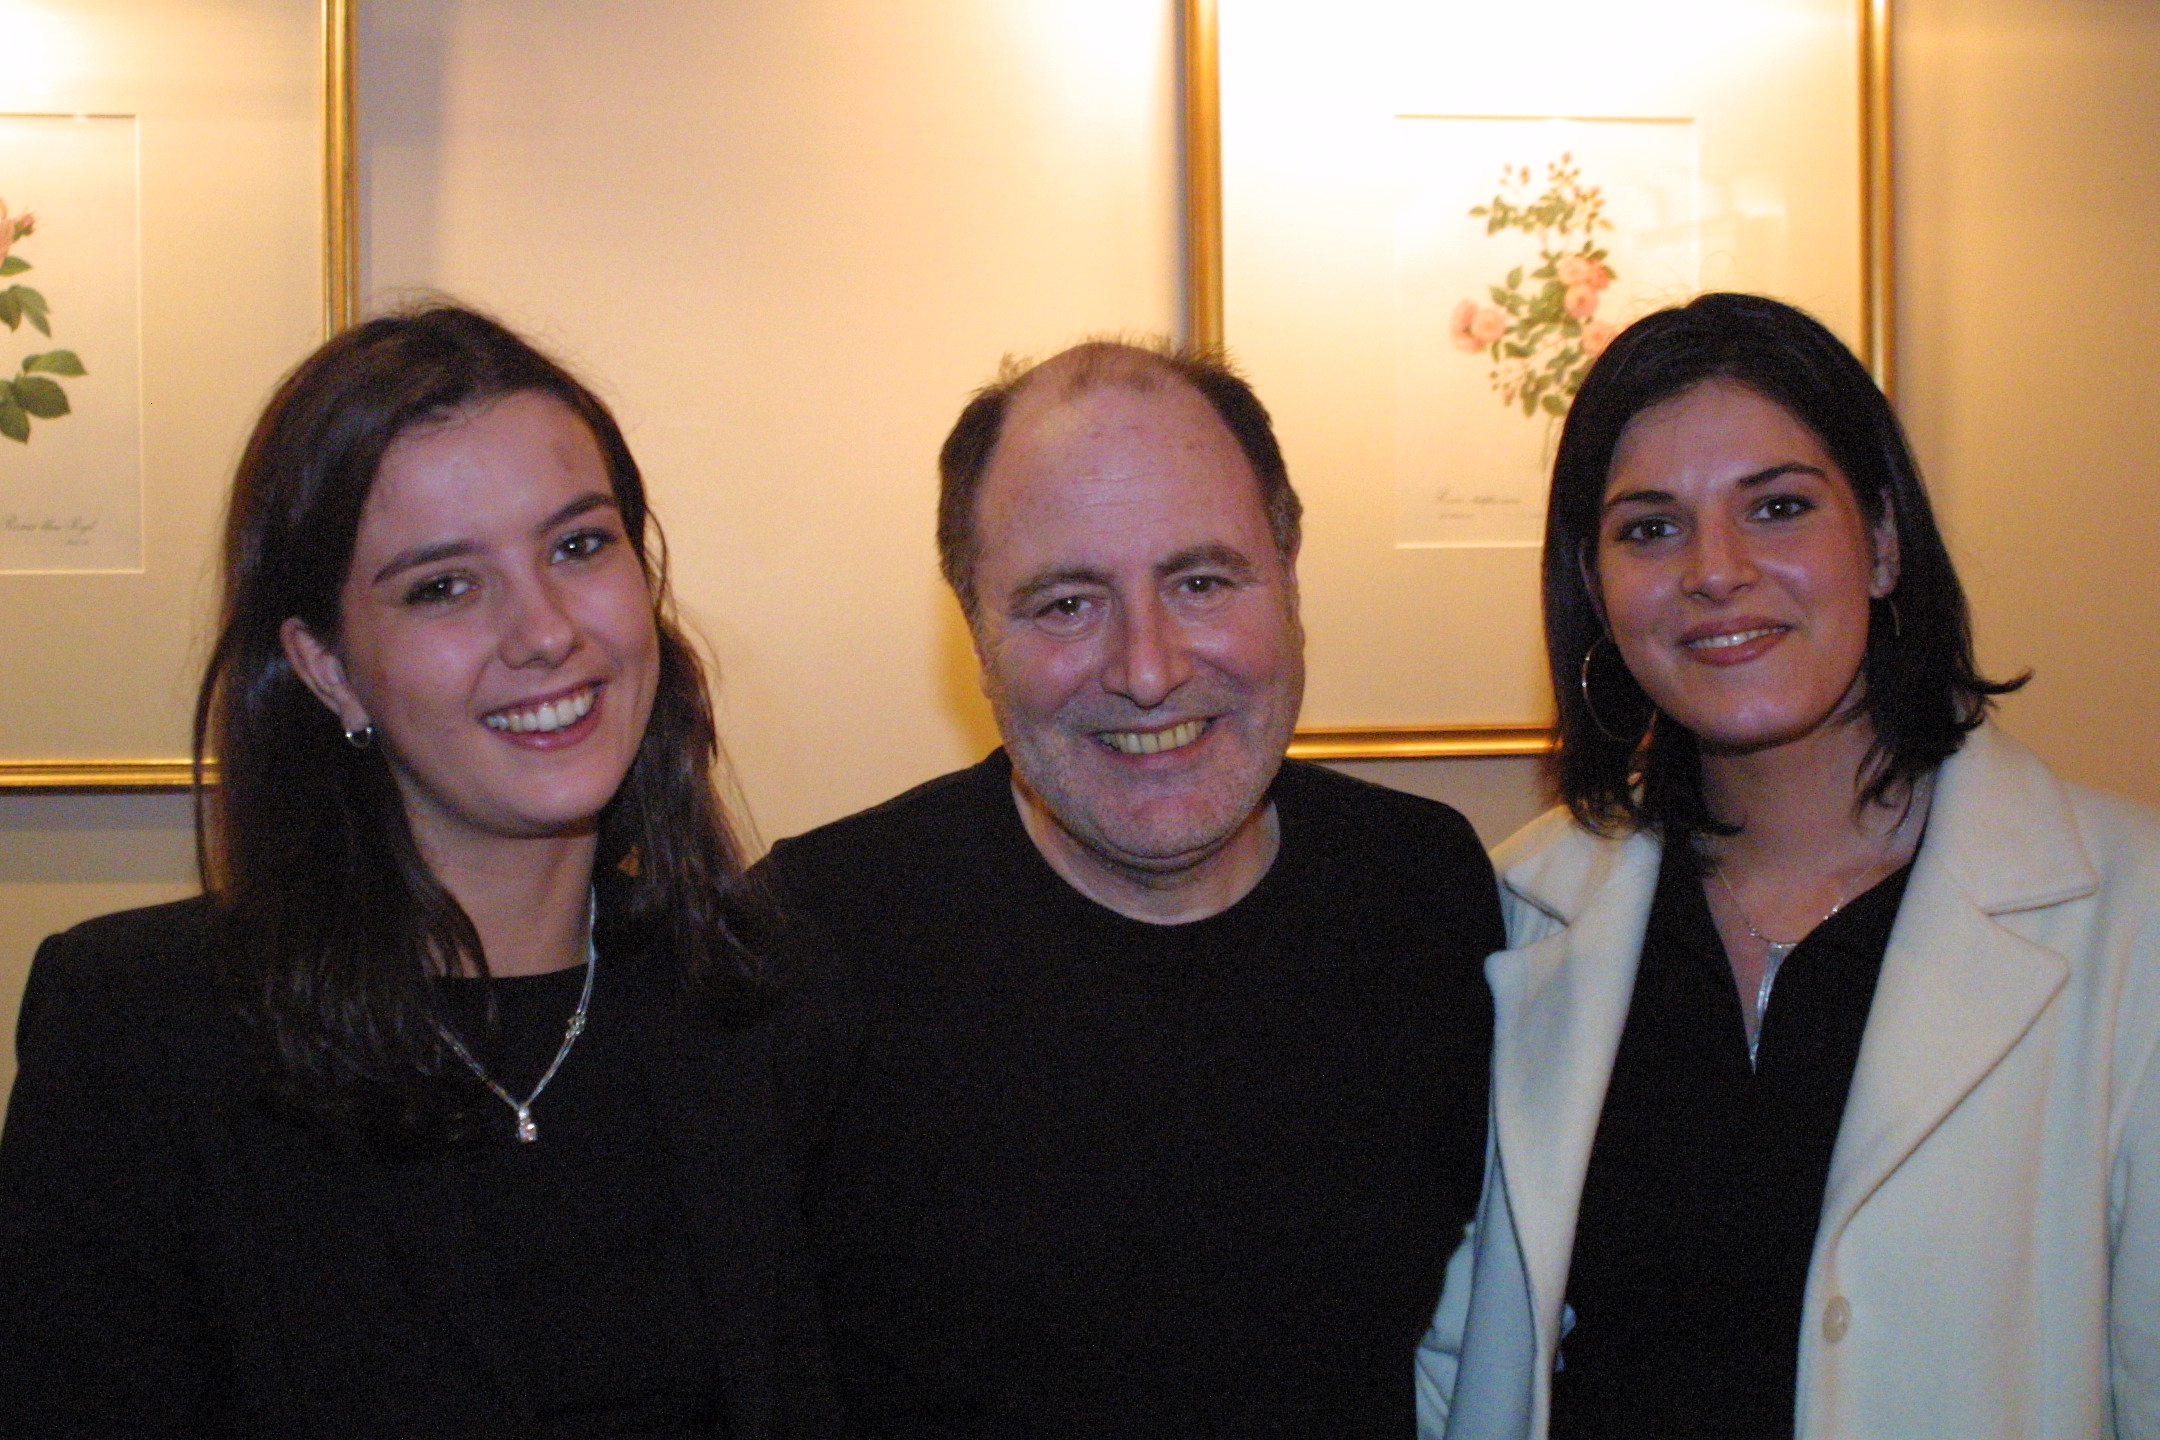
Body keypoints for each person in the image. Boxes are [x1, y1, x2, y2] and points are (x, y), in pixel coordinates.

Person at [0, 306, 845, 1438]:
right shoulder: (141, 1034)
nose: (544, 631)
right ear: (327, 669)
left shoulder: (775, 1004)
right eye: (444, 586)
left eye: (579, 546)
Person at [1419, 292, 2160, 1440]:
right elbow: (1461, 1360)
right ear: (1597, 588)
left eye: (1777, 508)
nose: (1715, 571)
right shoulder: (1514, 912)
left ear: (1881, 540)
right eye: (1650, 528)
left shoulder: (2130, 914)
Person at [759, 339, 1503, 1438]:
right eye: (1066, 604)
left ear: (1290, 577)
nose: (1147, 668)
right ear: (974, 626)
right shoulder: (805, 947)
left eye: (1201, 582)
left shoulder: (1427, 894)